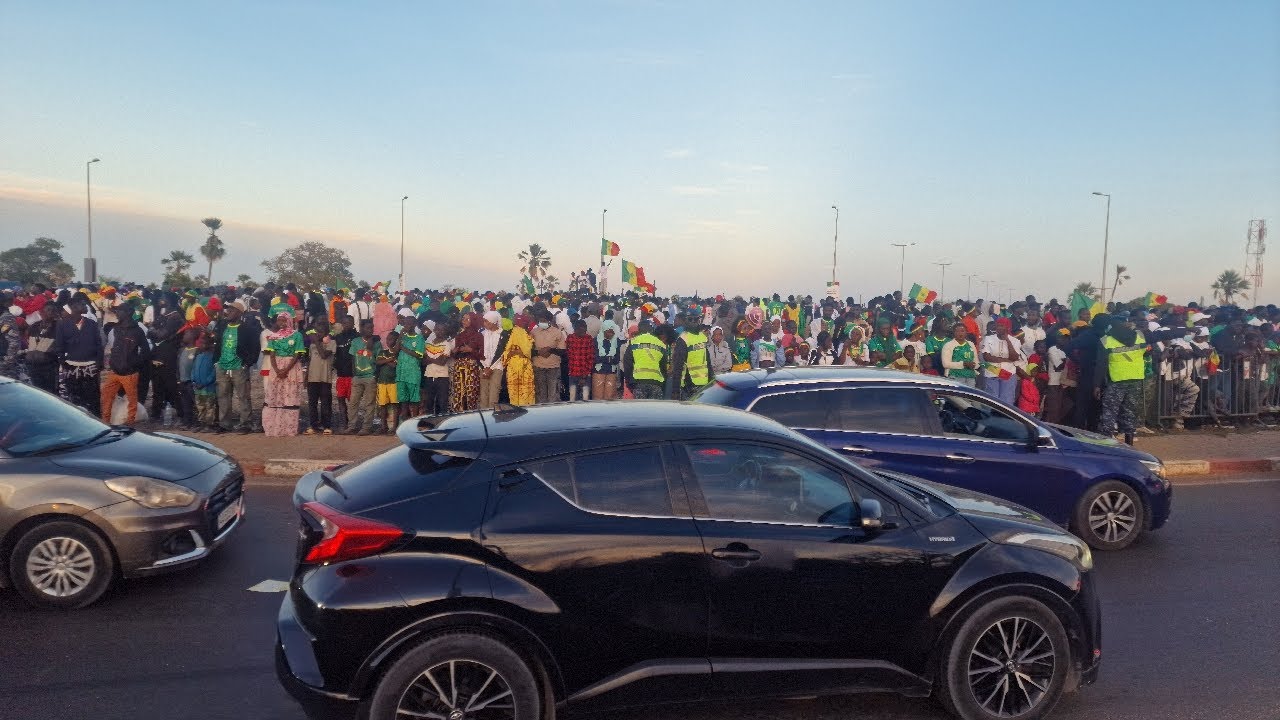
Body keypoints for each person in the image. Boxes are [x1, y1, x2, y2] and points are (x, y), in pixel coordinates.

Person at [1096, 316, 1147, 445]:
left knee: (1109, 411)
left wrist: (1096, 385)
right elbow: (1146, 352)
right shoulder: (1139, 335)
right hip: (1136, 379)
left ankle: (1106, 444)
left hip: (1117, 380)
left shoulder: (1106, 340)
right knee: (1130, 411)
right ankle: (1129, 445)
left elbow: (1101, 364)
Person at [213, 301, 261, 434]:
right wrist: (216, 362)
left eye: (232, 310)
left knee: (243, 396)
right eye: (228, 310)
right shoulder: (222, 326)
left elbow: (255, 347)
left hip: (239, 366)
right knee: (223, 395)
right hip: (222, 365)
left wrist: (247, 363)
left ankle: (245, 423)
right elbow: (217, 345)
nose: (228, 312)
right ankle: (225, 423)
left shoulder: (248, 329)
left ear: (240, 313)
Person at [100, 308, 150, 425]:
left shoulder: (137, 331)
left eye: (120, 311)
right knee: (107, 397)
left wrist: (134, 363)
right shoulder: (116, 328)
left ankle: (130, 424)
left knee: (132, 401)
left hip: (129, 373)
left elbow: (146, 350)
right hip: (115, 371)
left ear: (128, 313)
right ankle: (105, 422)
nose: (117, 314)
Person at [54, 297, 104, 415]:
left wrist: (99, 362)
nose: (85, 306)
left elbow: (98, 344)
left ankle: (95, 420)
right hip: (71, 366)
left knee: (93, 397)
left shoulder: (91, 323)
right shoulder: (63, 325)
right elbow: (59, 345)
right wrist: (63, 361)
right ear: (74, 307)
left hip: (90, 366)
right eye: (82, 304)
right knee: (75, 397)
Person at [261, 312, 306, 437]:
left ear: (289, 321)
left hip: (291, 367)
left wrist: (285, 370)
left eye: (284, 320)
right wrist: (276, 370)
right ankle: (273, 428)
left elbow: (297, 354)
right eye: (279, 320)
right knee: (275, 397)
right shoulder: (273, 336)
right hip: (276, 368)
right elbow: (272, 354)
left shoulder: (297, 335)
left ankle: (289, 429)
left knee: (289, 396)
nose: (281, 323)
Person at [346, 319, 380, 434]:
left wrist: (376, 375)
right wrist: (354, 374)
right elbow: (352, 358)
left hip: (371, 376)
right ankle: (352, 426)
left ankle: (366, 427)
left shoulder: (377, 343)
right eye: (368, 328)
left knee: (369, 403)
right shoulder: (355, 342)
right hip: (358, 376)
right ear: (361, 329)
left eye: (372, 328)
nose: (370, 330)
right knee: (353, 402)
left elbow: (379, 359)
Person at [303, 318, 336, 435]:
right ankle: (313, 424)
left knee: (325, 402)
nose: (318, 335)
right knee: (312, 403)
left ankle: (326, 425)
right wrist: (306, 377)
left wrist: (317, 342)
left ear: (326, 332)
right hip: (313, 378)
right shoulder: (312, 346)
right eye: (317, 332)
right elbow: (310, 360)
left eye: (321, 333)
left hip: (325, 378)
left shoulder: (331, 343)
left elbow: (323, 355)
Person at [669, 314, 713, 399]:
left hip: (704, 383)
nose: (693, 321)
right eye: (690, 319)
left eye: (695, 319)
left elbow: (708, 361)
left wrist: (711, 380)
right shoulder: (683, 339)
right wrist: (675, 390)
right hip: (689, 383)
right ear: (685, 321)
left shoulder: (703, 337)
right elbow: (678, 365)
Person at [981, 317, 1021, 405]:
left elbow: (1014, 357)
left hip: (1008, 372)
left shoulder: (1015, 341)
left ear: (1008, 327)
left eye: (1002, 326)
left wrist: (1007, 340)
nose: (999, 328)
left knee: (1006, 400)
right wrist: (1006, 360)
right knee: (992, 400)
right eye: (997, 325)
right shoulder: (988, 338)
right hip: (992, 370)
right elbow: (986, 357)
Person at [624, 320, 668, 399]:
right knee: (654, 410)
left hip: (639, 382)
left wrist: (629, 382)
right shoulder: (661, 344)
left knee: (641, 410)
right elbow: (664, 367)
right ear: (652, 329)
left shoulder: (634, 342)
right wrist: (663, 383)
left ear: (639, 329)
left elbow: (628, 364)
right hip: (656, 382)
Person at [24, 301, 60, 393]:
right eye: (48, 310)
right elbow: (29, 342)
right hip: (32, 367)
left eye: (53, 311)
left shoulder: (59, 327)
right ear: (42, 312)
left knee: (50, 393)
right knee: (36, 392)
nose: (50, 313)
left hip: (49, 367)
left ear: (56, 313)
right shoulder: (34, 326)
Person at [531, 312, 566, 404]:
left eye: (544, 321)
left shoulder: (557, 332)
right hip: (538, 367)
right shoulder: (534, 332)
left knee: (553, 394)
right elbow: (528, 351)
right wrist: (539, 352)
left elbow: (562, 351)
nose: (541, 322)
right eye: (540, 321)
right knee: (540, 394)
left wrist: (550, 350)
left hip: (553, 367)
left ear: (549, 321)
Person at [450, 314, 483, 412]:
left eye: (467, 319)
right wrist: (454, 352)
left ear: (473, 321)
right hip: (459, 366)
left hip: (471, 366)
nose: (464, 321)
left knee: (471, 393)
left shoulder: (479, 336)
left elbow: (482, 355)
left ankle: (471, 415)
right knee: (459, 393)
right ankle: (458, 414)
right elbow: (455, 355)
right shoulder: (459, 336)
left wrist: (470, 350)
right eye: (463, 319)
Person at [330, 315, 358, 432]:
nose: (346, 325)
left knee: (353, 401)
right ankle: (343, 422)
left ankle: (352, 424)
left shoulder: (357, 338)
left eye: (349, 323)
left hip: (353, 374)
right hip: (341, 374)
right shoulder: (338, 338)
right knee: (341, 399)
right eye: (344, 323)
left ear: (353, 324)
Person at [396, 312, 426, 417]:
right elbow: (395, 351)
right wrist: (400, 337)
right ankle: (404, 422)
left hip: (412, 373)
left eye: (409, 324)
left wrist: (403, 348)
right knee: (403, 400)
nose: (407, 326)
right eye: (405, 324)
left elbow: (418, 355)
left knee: (414, 400)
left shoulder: (419, 338)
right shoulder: (402, 337)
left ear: (414, 324)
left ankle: (415, 423)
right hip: (401, 373)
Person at [478, 311, 509, 409]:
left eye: (487, 322)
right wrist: (484, 367)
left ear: (494, 322)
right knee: (483, 395)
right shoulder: (482, 333)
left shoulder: (503, 334)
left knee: (493, 395)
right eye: (484, 321)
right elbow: (479, 351)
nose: (484, 324)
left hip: (497, 367)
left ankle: (492, 417)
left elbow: (502, 353)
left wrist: (491, 368)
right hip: (483, 367)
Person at [502, 316, 536, 406]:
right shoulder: (521, 332)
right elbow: (527, 351)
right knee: (526, 392)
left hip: (514, 366)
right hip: (522, 366)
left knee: (514, 392)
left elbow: (506, 353)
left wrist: (514, 352)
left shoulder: (514, 333)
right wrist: (518, 352)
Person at [422, 320, 453, 415]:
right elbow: (423, 362)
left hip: (442, 376)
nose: (440, 332)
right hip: (429, 375)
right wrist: (436, 358)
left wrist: (430, 359)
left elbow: (442, 362)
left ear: (445, 331)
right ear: (434, 330)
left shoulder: (447, 344)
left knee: (442, 402)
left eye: (442, 330)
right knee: (429, 402)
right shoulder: (428, 343)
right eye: (438, 329)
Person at [191, 333, 219, 431]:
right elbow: (193, 369)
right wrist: (193, 380)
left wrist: (205, 382)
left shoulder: (212, 357)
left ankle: (209, 424)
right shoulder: (198, 356)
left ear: (209, 345)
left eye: (203, 343)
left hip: (208, 388)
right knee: (200, 406)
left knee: (210, 406)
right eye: (200, 343)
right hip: (198, 388)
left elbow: (213, 373)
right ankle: (201, 422)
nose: (201, 345)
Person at [375, 330, 400, 433]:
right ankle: (383, 426)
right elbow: (377, 362)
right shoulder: (383, 351)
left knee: (395, 404)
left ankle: (394, 426)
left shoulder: (398, 354)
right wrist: (389, 360)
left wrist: (385, 361)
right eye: (387, 339)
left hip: (393, 382)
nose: (388, 341)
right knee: (382, 405)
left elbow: (395, 366)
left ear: (397, 341)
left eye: (391, 339)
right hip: (382, 382)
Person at [565, 319, 596, 401]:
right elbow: (568, 355)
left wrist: (584, 376)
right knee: (572, 397)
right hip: (573, 373)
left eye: (585, 329)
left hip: (585, 374)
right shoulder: (570, 338)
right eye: (581, 330)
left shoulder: (589, 339)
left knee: (585, 398)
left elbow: (591, 358)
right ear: (575, 329)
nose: (584, 331)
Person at [941, 322, 979, 386]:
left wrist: (974, 365)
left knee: (970, 395)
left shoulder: (971, 344)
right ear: (953, 333)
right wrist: (963, 364)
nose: (960, 333)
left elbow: (977, 362)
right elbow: (945, 364)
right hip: (955, 376)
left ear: (966, 332)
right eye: (957, 331)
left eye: (962, 331)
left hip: (970, 376)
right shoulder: (948, 345)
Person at [593, 320, 622, 400]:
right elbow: (594, 358)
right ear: (603, 330)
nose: (611, 334)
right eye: (609, 332)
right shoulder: (596, 341)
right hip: (598, 371)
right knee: (597, 396)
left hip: (611, 372)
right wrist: (608, 359)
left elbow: (617, 359)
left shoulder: (617, 341)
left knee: (609, 397)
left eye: (612, 332)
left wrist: (603, 359)